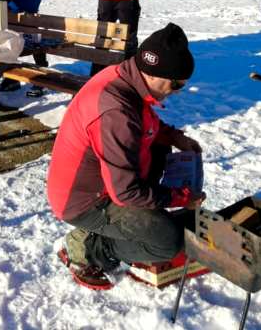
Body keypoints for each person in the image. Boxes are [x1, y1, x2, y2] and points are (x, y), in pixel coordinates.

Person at [47, 23, 204, 290]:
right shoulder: (115, 111)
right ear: (153, 74)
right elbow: (126, 193)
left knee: (159, 150)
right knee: (167, 241)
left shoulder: (127, 78)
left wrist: (173, 136)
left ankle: (126, 224)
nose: (177, 91)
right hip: (86, 202)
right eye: (176, 84)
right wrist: (180, 197)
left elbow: (142, 123)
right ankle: (89, 247)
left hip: (104, 184)